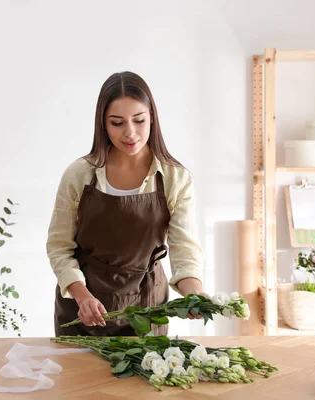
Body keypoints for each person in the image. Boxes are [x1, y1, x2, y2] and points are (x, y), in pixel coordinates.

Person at [47, 71, 207, 337]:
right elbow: (59, 247)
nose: (130, 133)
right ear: (103, 124)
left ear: (152, 117)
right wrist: (82, 296)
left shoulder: (175, 179)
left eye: (139, 120)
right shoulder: (79, 175)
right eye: (117, 123)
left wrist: (194, 296)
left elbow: (185, 251)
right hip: (84, 308)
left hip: (147, 306)